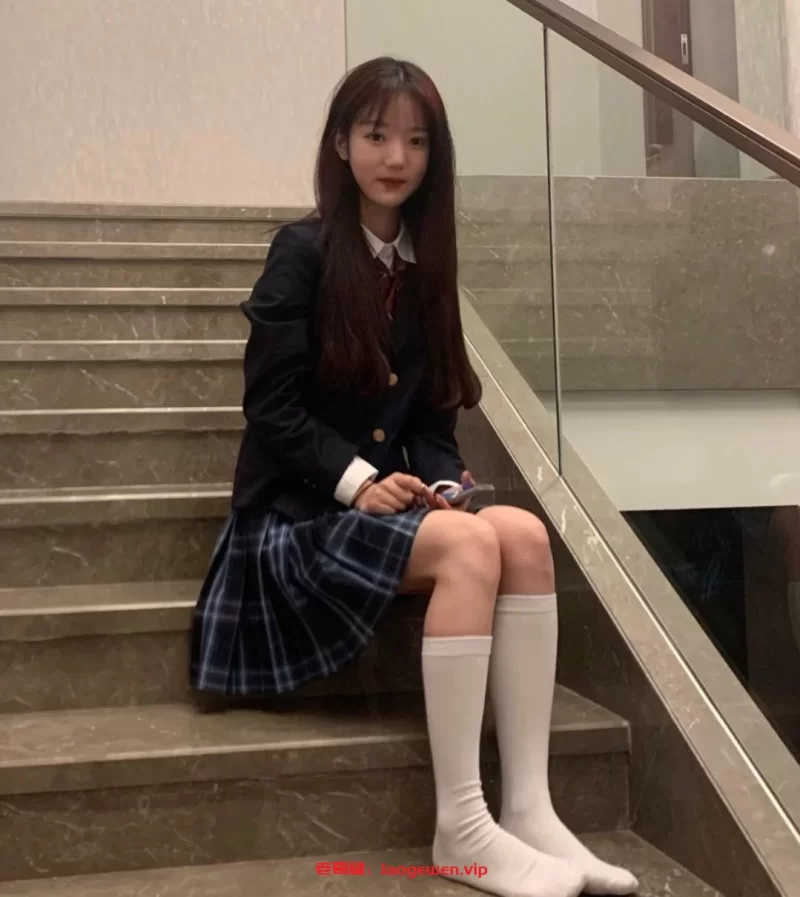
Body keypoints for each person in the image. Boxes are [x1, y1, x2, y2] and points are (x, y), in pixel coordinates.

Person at [190, 57, 637, 897]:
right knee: (470, 550)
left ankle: (530, 808)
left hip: (373, 513)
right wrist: (361, 481)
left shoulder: (426, 265)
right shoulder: (301, 253)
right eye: (376, 135)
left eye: (417, 140)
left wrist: (444, 482)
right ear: (341, 144)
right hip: (289, 525)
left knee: (521, 535)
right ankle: (461, 824)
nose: (396, 156)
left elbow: (430, 423)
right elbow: (270, 408)